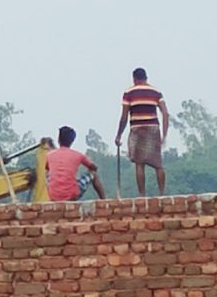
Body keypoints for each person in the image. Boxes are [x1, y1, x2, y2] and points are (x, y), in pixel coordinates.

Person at [116, 67, 170, 196]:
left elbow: (124, 116)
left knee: (139, 163)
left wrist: (119, 135)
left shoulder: (129, 92)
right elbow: (165, 114)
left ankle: (142, 195)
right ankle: (162, 193)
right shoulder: (156, 92)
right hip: (153, 128)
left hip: (137, 128)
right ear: (146, 78)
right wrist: (164, 134)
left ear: (134, 79)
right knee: (158, 163)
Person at [44, 124, 104, 201]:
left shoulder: (50, 155)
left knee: (48, 174)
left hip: (54, 195)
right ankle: (104, 200)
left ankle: (53, 198)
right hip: (71, 195)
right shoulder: (78, 155)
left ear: (58, 139)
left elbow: (47, 168)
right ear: (72, 141)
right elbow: (94, 167)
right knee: (93, 174)